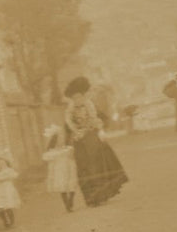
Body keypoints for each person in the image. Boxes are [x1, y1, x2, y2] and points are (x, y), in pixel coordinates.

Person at [64, 77, 128, 206]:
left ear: (83, 95)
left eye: (79, 96)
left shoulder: (89, 104)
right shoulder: (70, 108)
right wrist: (75, 131)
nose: (77, 99)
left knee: (96, 165)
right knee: (83, 167)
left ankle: (100, 195)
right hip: (78, 140)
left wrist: (88, 129)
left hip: (91, 136)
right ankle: (89, 198)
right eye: (74, 97)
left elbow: (94, 118)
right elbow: (68, 122)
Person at [41, 124, 79, 213]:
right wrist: (57, 152)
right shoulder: (53, 151)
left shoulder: (69, 146)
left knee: (72, 184)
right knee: (62, 185)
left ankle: (71, 201)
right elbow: (47, 156)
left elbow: (75, 154)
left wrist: (71, 152)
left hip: (69, 165)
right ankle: (67, 205)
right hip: (60, 167)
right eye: (59, 137)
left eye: (63, 136)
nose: (61, 139)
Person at [0, 148, 21, 228]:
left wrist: (8, 172)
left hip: (8, 191)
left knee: (8, 207)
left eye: (3, 164)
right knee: (0, 208)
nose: (0, 167)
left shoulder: (8, 172)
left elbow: (14, 175)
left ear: (6, 165)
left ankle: (11, 221)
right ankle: (5, 221)